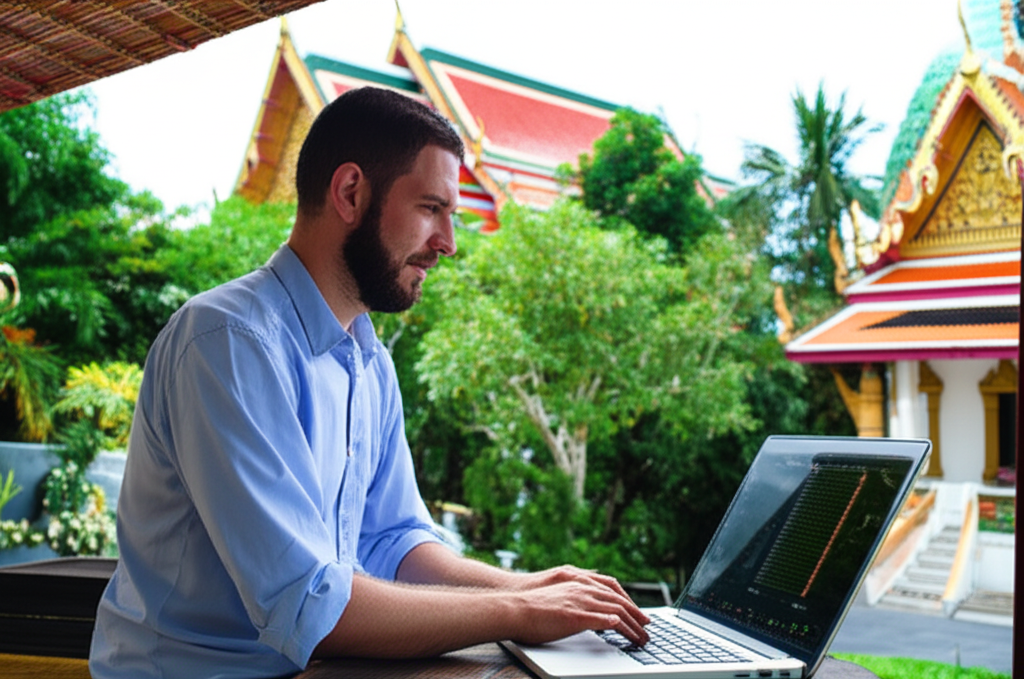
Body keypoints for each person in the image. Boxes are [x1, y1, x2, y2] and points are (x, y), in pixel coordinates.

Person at [89, 87, 649, 678]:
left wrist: (533, 586)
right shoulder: (227, 343)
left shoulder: (367, 358)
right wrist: (518, 611)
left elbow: (394, 541)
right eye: (432, 208)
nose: (448, 244)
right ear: (351, 193)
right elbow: (311, 605)